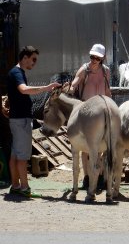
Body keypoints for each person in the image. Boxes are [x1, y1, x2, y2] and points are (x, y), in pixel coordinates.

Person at [7, 46, 61, 197]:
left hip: (17, 119)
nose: (35, 63)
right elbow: (23, 89)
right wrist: (47, 88)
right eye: (33, 59)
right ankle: (24, 188)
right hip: (21, 120)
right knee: (22, 157)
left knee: (15, 155)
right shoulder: (17, 73)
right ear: (25, 58)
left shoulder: (16, 72)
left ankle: (16, 185)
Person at [69, 43, 111, 190]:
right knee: (85, 149)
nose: (94, 60)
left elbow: (107, 90)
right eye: (92, 57)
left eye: (97, 58)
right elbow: (74, 83)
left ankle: (99, 177)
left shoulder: (106, 71)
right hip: (85, 113)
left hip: (101, 112)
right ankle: (87, 178)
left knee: (100, 148)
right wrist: (71, 87)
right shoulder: (84, 70)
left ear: (102, 58)